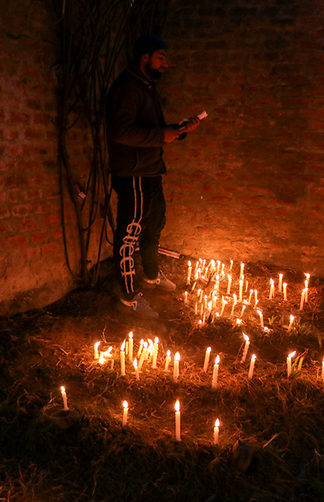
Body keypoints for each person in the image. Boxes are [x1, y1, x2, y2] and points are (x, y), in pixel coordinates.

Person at [106, 34, 202, 318]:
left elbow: (152, 130)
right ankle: (128, 297)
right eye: (161, 57)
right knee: (130, 233)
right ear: (144, 57)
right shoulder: (126, 89)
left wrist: (179, 129)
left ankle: (150, 274)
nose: (166, 64)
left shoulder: (146, 88)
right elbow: (120, 132)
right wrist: (163, 134)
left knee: (154, 223)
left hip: (150, 170)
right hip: (132, 173)